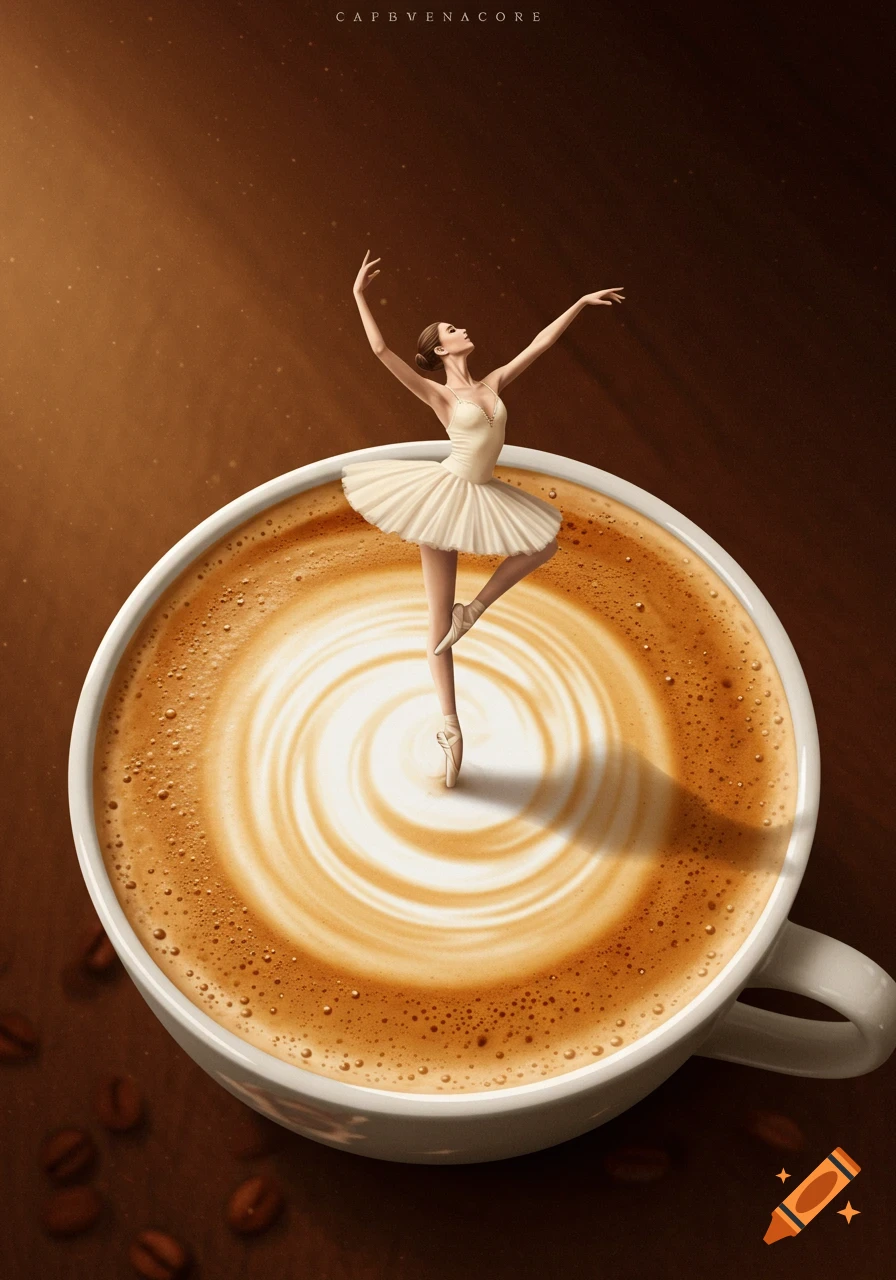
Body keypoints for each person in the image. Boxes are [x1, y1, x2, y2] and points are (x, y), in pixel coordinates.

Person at [342, 250, 624, 788]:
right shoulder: (440, 394)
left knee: (543, 544)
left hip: (484, 492)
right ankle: (450, 726)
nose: (462, 328)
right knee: (435, 621)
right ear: (438, 348)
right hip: (444, 495)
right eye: (452, 328)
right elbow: (380, 350)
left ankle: (472, 611)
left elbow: (541, 344)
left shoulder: (491, 382)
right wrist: (358, 295)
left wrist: (580, 304)